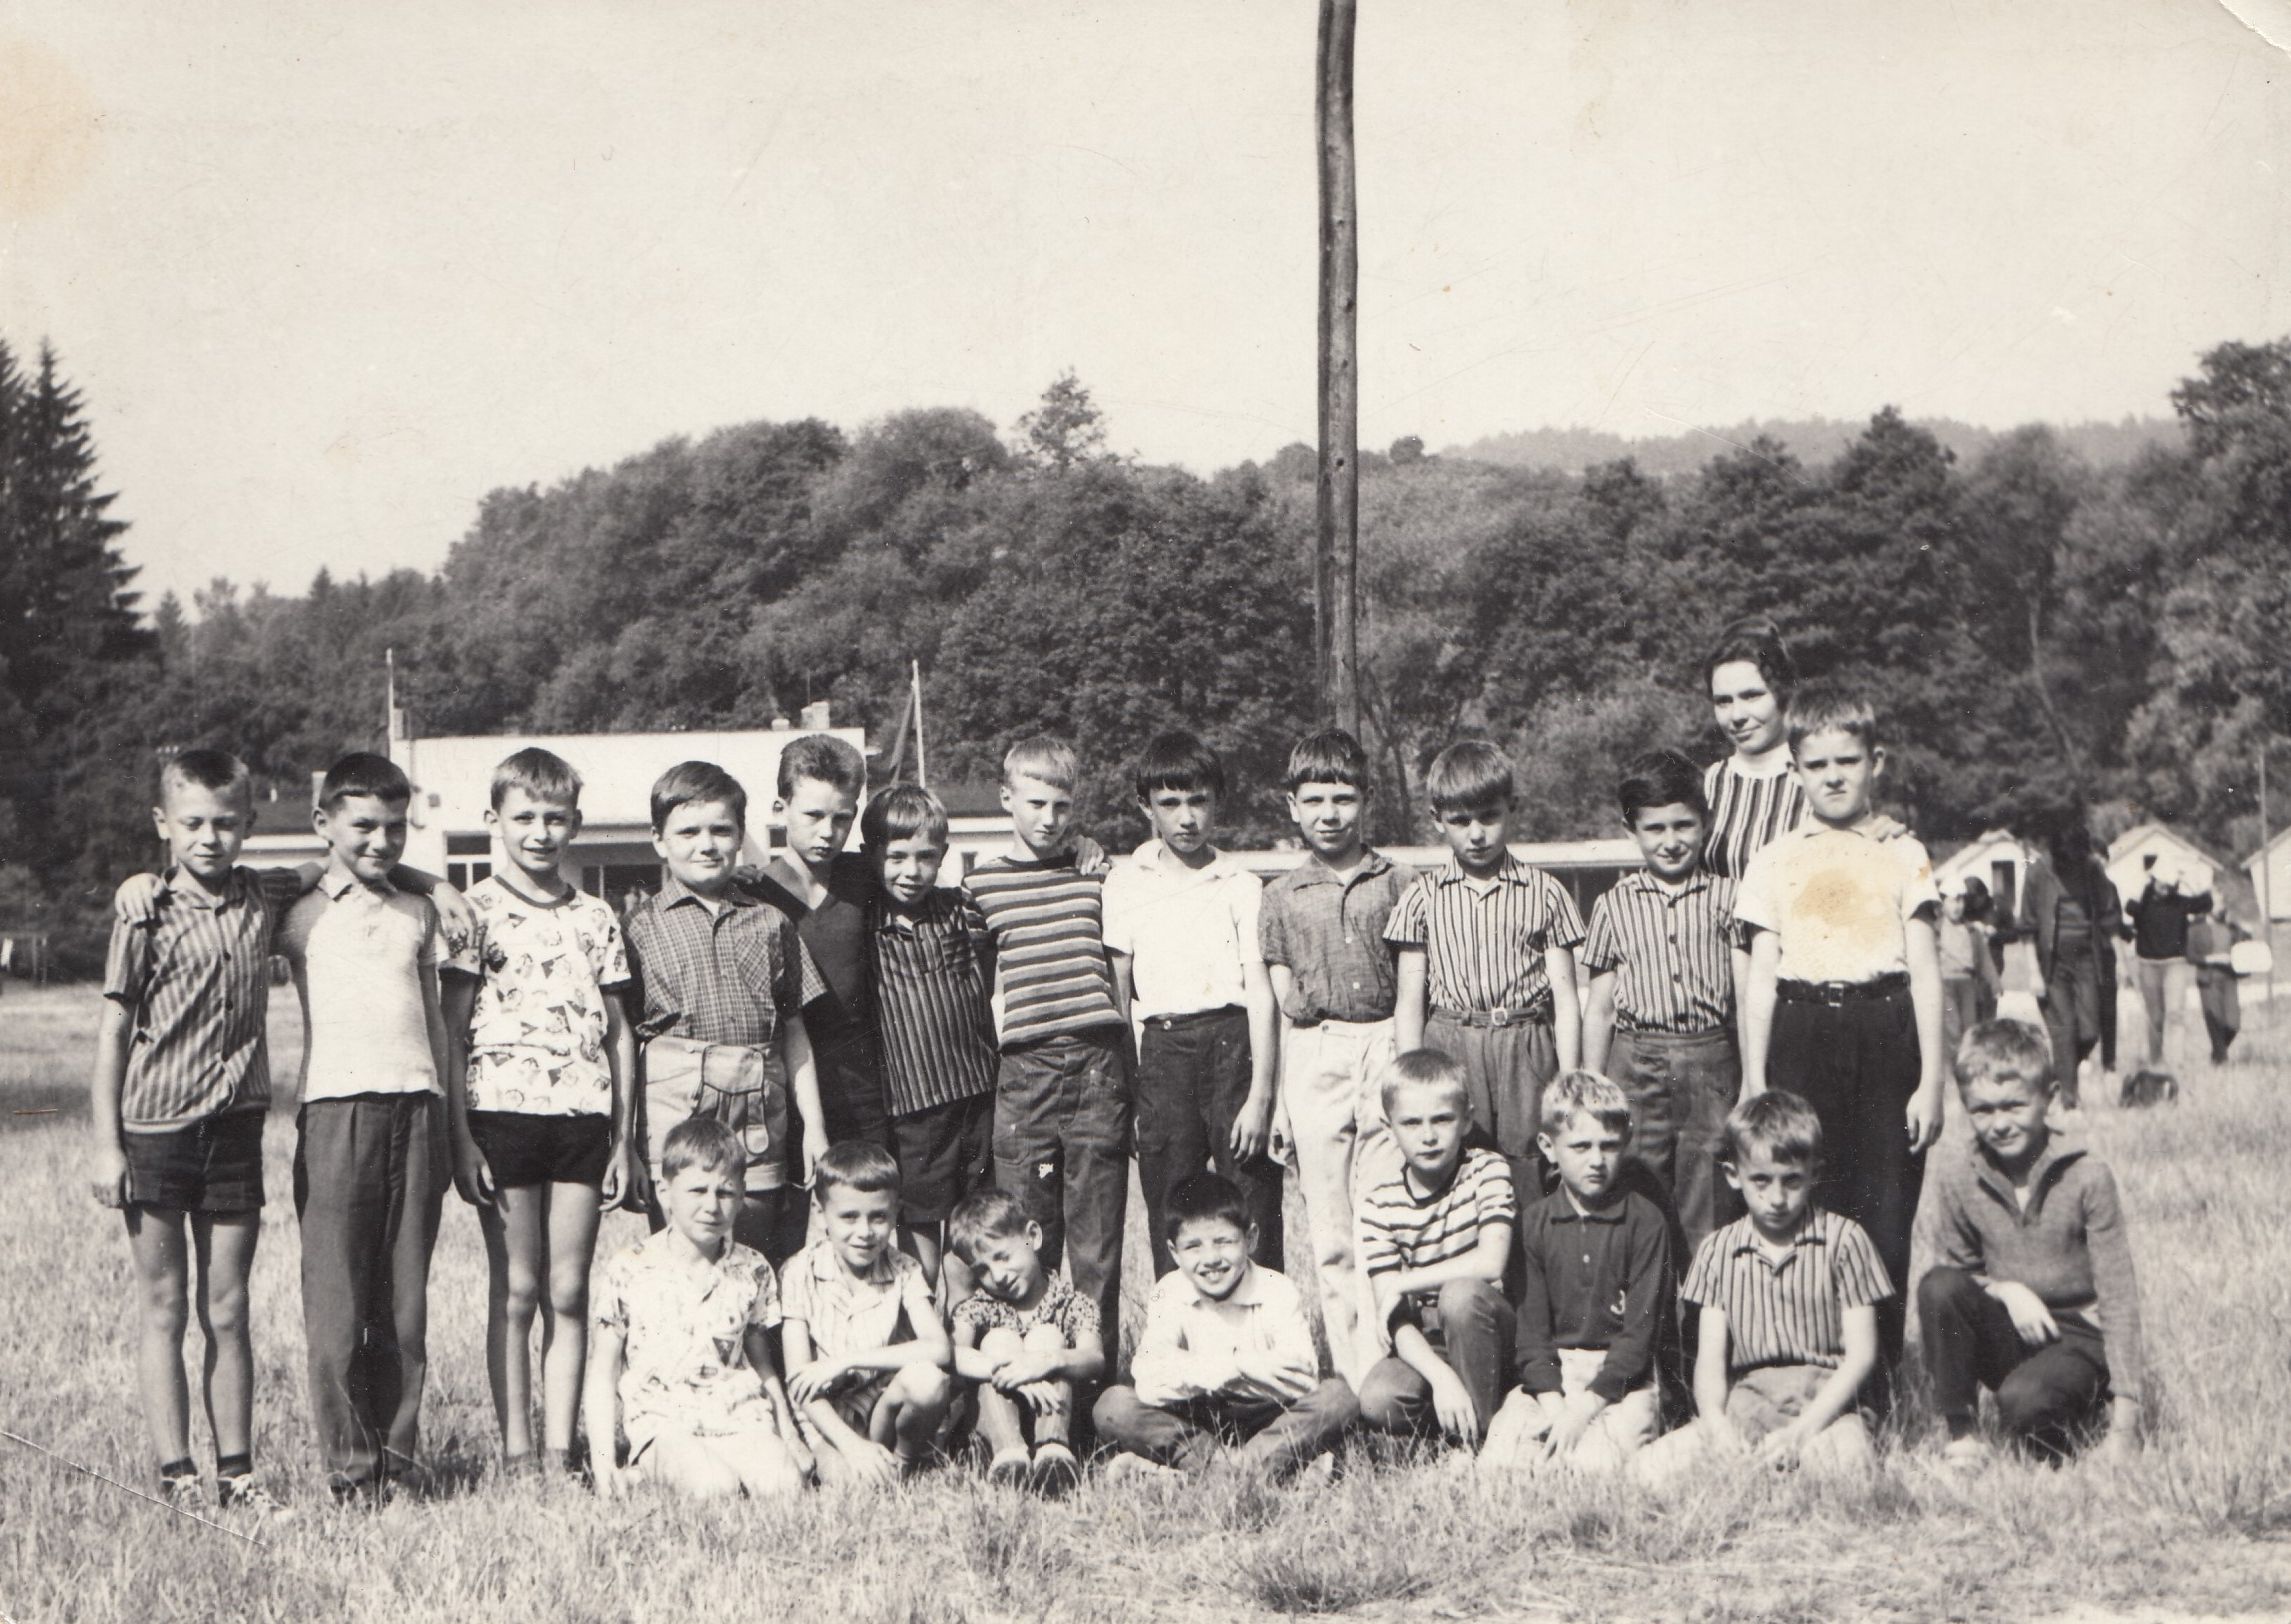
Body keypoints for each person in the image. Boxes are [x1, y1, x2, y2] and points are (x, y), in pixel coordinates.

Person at [89, 750, 302, 1516]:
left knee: (229, 1310)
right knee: (164, 1307)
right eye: (192, 824)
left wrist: (434, 883)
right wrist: (107, 1145)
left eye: (225, 823)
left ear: (249, 823)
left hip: (235, 1131)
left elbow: (344, 859)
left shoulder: (264, 895)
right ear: (163, 825)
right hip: (155, 1131)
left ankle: (238, 1478)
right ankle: (177, 1476)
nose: (209, 838)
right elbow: (113, 1034)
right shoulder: (143, 912)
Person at [276, 752, 479, 1503]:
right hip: (336, 1113)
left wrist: (453, 1130)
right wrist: (424, 874)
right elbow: (242, 889)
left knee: (404, 1309)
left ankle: (400, 1464)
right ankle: (351, 1472)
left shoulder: (418, 911)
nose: (382, 841)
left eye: (396, 828)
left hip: (417, 1110)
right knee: (337, 1311)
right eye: (363, 825)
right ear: (322, 822)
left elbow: (437, 1026)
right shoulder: (296, 911)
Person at [1737, 682, 1943, 1384]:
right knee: (1804, 1204)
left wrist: (1931, 1082)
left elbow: (1925, 970)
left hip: (1884, 1032)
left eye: (1847, 761)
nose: (1832, 777)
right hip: (1801, 1034)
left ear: (1874, 762)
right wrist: (1755, 1078)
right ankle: (1809, 1374)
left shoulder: (1903, 852)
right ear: (1794, 769)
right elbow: (1760, 979)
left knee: (1884, 1213)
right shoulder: (1774, 859)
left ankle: (1877, 1382)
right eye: (1816, 764)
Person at [441, 748, 636, 1478]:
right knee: (518, 1290)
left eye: (555, 818)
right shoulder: (473, 913)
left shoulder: (597, 916)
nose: (539, 832)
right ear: (494, 821)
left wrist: (623, 1139)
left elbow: (619, 1033)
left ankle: (560, 1450)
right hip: (501, 1118)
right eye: (523, 817)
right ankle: (517, 1452)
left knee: (569, 1290)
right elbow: (452, 1033)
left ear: (576, 824)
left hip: (582, 1120)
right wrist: (461, 1139)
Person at [1258, 726, 1418, 1384]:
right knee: (1330, 1231)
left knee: (1382, 1218)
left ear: (1366, 800)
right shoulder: (1279, 895)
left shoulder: (1400, 881)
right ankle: (1353, 1377)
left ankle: (1393, 1372)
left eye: (1344, 798)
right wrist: (1278, 1102)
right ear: (1291, 806)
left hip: (1385, 1041)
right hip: (1315, 1051)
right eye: (1315, 800)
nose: (1329, 814)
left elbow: (1414, 983)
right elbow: (1279, 998)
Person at [622, 761, 829, 1259]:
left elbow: (795, 1030)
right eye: (688, 832)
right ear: (658, 840)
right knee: (682, 1262)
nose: (707, 844)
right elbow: (621, 1041)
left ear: (740, 836)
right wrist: (623, 1142)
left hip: (757, 1114)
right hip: (674, 1114)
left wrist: (815, 1129)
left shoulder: (771, 922)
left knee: (757, 1259)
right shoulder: (636, 928)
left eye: (721, 830)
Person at [1633, 1091, 1892, 1487]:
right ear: (1733, 1175)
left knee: (1844, 1470)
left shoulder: (1845, 1240)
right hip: (1749, 1403)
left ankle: (1794, 1468)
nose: (1776, 1198)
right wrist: (1717, 1425)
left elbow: (1861, 1356)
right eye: (1761, 1181)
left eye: (1792, 1181)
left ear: (1815, 1173)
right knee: (1646, 1470)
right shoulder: (1718, 1250)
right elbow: (1710, 1363)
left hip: (1827, 1407)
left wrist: (1800, 1432)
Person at [1919, 1019, 2144, 1469]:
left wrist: (2126, 1425)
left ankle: (2078, 1408)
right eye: (1983, 1110)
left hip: (2079, 1339)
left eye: (2014, 1106)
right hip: (2013, 1327)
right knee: (1937, 1286)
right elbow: (1958, 1275)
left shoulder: (2087, 1175)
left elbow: (2118, 1297)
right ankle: (1963, 1436)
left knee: (2025, 1404)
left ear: (2050, 1098)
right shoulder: (1959, 1174)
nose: (2000, 1124)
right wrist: (2006, 1291)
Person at [966, 736, 1132, 1343]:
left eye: (1062, 806)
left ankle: (1091, 1388)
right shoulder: (981, 888)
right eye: (1036, 803)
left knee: (1096, 1241)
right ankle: (1028, 1379)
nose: (1049, 819)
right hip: (1025, 1072)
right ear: (1006, 797)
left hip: (1095, 1066)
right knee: (1025, 1234)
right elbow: (975, 985)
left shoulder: (1095, 876)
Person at [1103, 731, 1282, 1275]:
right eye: (1170, 803)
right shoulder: (1125, 883)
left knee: (1251, 1198)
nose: (1186, 818)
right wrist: (1131, 1095)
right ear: (1146, 807)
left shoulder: (1242, 884)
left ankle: (1264, 1321)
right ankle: (1176, 1323)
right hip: (1163, 1055)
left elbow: (1261, 993)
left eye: (1199, 801)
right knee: (1170, 1205)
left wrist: (1260, 1097)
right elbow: (1118, 997)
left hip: (1233, 1048)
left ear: (1218, 801)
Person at [1387, 739, 1584, 1208]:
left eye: (1489, 817)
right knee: (1454, 1162)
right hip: (1451, 1042)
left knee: (1530, 1166)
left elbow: (1566, 1000)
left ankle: (1527, 1255)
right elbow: (1409, 1001)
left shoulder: (1546, 892)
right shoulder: (1421, 897)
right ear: (1437, 820)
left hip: (1525, 1044)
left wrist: (1569, 1077)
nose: (1476, 834)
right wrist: (1411, 1078)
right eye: (1460, 821)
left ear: (1512, 808)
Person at [584, 1117, 809, 1501]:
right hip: (665, 1424)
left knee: (786, 1486)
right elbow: (603, 1374)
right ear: (665, 1192)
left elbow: (762, 1366)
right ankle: (639, 1476)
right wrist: (603, 1462)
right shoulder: (630, 1268)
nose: (711, 1206)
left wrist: (788, 1435)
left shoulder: (752, 1268)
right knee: (714, 1488)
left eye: (725, 1192)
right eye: (697, 1191)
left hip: (739, 1418)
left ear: (742, 1195)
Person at [1580, 748, 1744, 1260]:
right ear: (1632, 829)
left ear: (1705, 822)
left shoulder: (1729, 897)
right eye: (1655, 828)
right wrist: (1592, 1083)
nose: (1671, 841)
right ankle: (1646, 1302)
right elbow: (1601, 1007)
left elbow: (1744, 997)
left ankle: (1704, 1301)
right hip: (1635, 1061)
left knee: (1708, 1185)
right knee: (1636, 1178)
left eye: (1683, 825)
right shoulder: (1613, 904)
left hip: (1709, 1058)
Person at [1093, 1173, 1358, 1481]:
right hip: (1195, 1419)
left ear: (1251, 1239)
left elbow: (1301, 1377)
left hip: (1268, 1416)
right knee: (1113, 1406)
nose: (1211, 1259)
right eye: (1193, 1246)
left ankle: (1194, 1474)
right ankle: (1257, 1468)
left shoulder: (1276, 1289)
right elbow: (1150, 1380)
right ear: (1174, 1252)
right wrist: (1243, 1368)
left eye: (1224, 1242)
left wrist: (1200, 1368)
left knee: (1339, 1398)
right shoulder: (1169, 1291)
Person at [747, 734, 892, 1259]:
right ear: (780, 808)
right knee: (781, 1240)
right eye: (812, 816)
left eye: (842, 818)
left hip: (861, 1088)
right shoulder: (753, 891)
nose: (828, 832)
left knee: (864, 1234)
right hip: (783, 1090)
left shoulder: (867, 879)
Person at [1481, 1072, 1669, 1473]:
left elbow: (1638, 1340)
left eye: (1609, 1146)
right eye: (1581, 1146)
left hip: (1622, 1381)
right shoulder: (1533, 1224)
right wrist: (1557, 1408)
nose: (1597, 1160)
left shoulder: (1646, 1222)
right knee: (1500, 1462)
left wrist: (1582, 1411)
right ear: (1548, 1147)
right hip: (1555, 1376)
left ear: (1626, 1143)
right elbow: (1532, 1336)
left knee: (1592, 1466)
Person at [861, 783, 1000, 1296]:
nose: (911, 871)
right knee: (920, 1240)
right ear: (871, 855)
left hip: (976, 1095)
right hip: (913, 1106)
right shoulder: (864, 919)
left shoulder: (960, 908)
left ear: (943, 854)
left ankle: (964, 1325)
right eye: (896, 856)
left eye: (925, 857)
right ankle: (922, 1327)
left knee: (970, 1233)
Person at [1352, 1052, 1518, 1453]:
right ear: (1388, 1126)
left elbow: (1491, 1262)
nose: (1428, 1136)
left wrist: (1406, 1281)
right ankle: (1456, 1412)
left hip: (1488, 1327)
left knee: (1458, 1296)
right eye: (1411, 1123)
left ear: (1467, 1120)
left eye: (1442, 1120)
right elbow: (1394, 1317)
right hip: (1430, 1338)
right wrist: (1442, 1379)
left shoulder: (1487, 1170)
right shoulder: (1379, 1204)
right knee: (1378, 1397)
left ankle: (1478, 1440)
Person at [780, 1141, 955, 1486]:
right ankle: (866, 1464)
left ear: (895, 1213)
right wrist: (852, 1447)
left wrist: (847, 1361)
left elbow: (939, 1348)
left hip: (881, 1410)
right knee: (849, 1484)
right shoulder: (798, 1272)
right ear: (820, 1213)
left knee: (929, 1381)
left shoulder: (904, 1268)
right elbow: (800, 1382)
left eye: (878, 1217)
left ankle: (903, 1463)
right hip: (827, 1422)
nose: (864, 1232)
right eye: (849, 1217)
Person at [945, 1189, 1107, 1495]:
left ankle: (1053, 1452)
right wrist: (1010, 1372)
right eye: (982, 1270)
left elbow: (1094, 1359)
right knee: (998, 1340)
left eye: (1003, 1257)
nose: (998, 1276)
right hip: (994, 1429)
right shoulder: (978, 1307)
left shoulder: (1072, 1303)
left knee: (1048, 1337)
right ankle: (1010, 1457)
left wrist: (1045, 1361)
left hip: (1061, 1421)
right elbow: (953, 1355)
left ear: (1033, 1236)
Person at [2014, 818, 2120, 1110]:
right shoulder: (2038, 872)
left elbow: (2109, 914)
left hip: (2087, 958)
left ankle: (2058, 1076)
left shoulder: (2092, 869)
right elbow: (2027, 927)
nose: (2073, 861)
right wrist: (2033, 973)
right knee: (2065, 1029)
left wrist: (2121, 959)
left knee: (2090, 1030)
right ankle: (2069, 1101)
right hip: (2052, 962)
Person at [1701, 616, 1804, 880]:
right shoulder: (1708, 784)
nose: (1737, 715)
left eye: (1752, 696)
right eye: (1723, 701)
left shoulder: (1816, 778)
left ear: (1783, 693)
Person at [2127, 855, 2212, 1065]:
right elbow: (2129, 906)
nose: (2165, 889)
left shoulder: (2180, 902)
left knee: (2175, 1014)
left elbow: (2206, 902)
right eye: (2161, 883)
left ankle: (2175, 1063)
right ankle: (2155, 1061)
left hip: (2175, 964)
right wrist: (2147, 879)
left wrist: (2189, 877)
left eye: (2169, 885)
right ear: (2154, 880)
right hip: (2148, 964)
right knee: (2155, 1017)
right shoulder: (2143, 903)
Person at [1938, 882, 2001, 1062]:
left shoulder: (1971, 930)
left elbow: (1984, 959)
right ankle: (1955, 1065)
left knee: (1970, 1027)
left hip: (1967, 983)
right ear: (1942, 903)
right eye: (1952, 900)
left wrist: (1995, 983)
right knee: (1952, 1027)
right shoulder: (1936, 929)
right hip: (1945, 984)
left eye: (1961, 900)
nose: (1957, 906)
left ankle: (1969, 1063)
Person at [2186, 898, 2249, 1064]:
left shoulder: (2232, 928)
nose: (2222, 907)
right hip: (2209, 979)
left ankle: (2217, 1053)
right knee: (2214, 1019)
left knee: (2233, 1024)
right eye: (2219, 904)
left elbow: (2245, 947)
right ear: (2209, 907)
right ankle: (2221, 1060)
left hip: (2229, 978)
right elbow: (2190, 955)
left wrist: (2245, 931)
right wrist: (2212, 959)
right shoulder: (2196, 929)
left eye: (2224, 904)